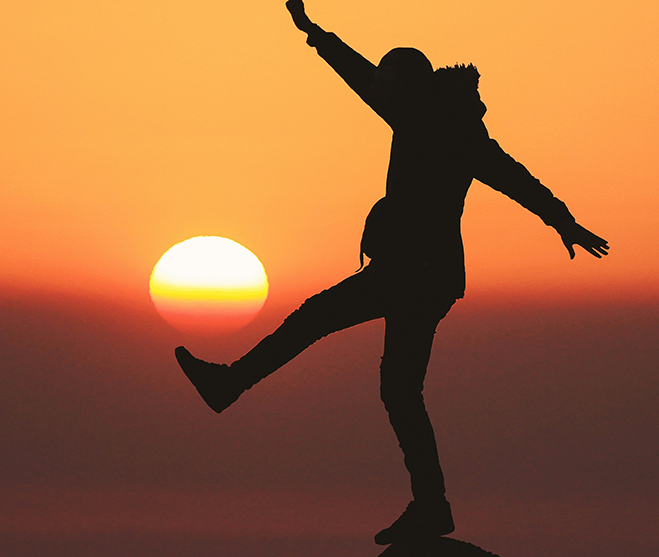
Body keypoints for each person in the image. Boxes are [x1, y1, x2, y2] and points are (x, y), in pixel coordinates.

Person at [174, 0, 610, 546]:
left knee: (322, 323)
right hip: (432, 277)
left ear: (407, 81)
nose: (386, 91)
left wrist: (315, 33)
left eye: (391, 81)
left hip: (412, 272)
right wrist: (564, 222)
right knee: (399, 389)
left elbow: (361, 79)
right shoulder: (462, 132)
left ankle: (229, 384)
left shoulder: (420, 115)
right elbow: (519, 179)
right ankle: (431, 506)